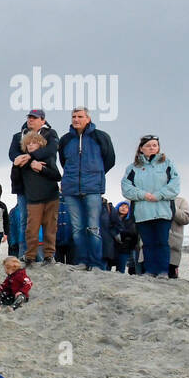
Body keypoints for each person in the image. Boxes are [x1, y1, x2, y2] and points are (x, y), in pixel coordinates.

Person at [58, 107, 116, 270]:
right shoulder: (65, 140)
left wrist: (94, 174)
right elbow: (63, 161)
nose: (76, 119)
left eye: (80, 116)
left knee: (93, 227)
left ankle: (96, 263)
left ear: (88, 118)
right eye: (74, 116)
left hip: (92, 188)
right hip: (71, 190)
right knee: (77, 229)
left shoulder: (101, 137)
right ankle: (82, 262)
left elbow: (109, 159)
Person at [120, 134, 181, 277]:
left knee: (161, 242)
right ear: (141, 149)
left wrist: (158, 195)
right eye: (148, 146)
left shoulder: (168, 164)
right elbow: (126, 187)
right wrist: (143, 195)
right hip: (142, 212)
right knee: (147, 243)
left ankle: (163, 271)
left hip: (163, 211)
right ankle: (150, 271)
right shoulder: (133, 168)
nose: (152, 148)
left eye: (155, 145)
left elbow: (175, 185)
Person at [9, 109, 58, 244]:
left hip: (45, 183)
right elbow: (13, 155)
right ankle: (24, 255)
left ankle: (47, 257)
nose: (30, 120)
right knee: (25, 220)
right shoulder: (18, 136)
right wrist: (27, 161)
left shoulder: (50, 134)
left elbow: (50, 151)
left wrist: (29, 157)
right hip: (23, 184)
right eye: (29, 117)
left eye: (34, 118)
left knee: (47, 222)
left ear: (42, 120)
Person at [15, 130, 59, 264]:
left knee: (50, 228)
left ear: (40, 144)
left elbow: (57, 176)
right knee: (31, 229)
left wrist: (42, 169)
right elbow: (15, 181)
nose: (31, 145)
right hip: (33, 199)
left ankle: (49, 255)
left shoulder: (48, 158)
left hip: (51, 197)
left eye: (34, 143)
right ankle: (30, 256)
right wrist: (15, 166)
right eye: (28, 143)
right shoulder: (22, 161)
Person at [168, 195, 189, 278]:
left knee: (170, 278)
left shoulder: (180, 201)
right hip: (150, 248)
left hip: (172, 249)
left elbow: (187, 219)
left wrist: (172, 207)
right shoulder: (149, 199)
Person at [112, 201, 138, 273]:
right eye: (122, 206)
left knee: (120, 270)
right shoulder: (112, 218)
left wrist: (121, 234)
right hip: (112, 247)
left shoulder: (130, 220)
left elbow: (132, 233)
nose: (124, 208)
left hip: (124, 248)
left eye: (126, 207)